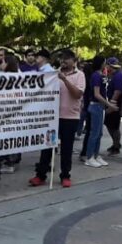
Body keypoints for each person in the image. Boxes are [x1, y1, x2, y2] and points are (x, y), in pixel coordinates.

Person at [31, 50, 86, 187]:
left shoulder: (80, 75)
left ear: (74, 60)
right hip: (53, 118)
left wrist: (64, 79)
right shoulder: (52, 73)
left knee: (66, 149)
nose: (64, 61)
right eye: (62, 58)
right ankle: (40, 175)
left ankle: (65, 176)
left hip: (70, 118)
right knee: (47, 148)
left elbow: (77, 94)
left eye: (67, 59)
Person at [83, 59, 117, 168]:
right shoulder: (96, 76)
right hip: (96, 106)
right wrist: (109, 104)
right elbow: (96, 94)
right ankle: (89, 157)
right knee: (94, 133)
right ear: (101, 63)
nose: (106, 65)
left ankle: (95, 155)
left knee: (99, 133)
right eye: (105, 62)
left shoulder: (100, 75)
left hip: (99, 106)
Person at [103, 58, 122, 156]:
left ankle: (116, 146)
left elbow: (118, 91)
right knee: (109, 124)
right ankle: (115, 144)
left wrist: (111, 105)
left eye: (107, 65)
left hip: (116, 104)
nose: (106, 67)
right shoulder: (114, 75)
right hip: (114, 103)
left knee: (114, 126)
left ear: (110, 66)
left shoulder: (119, 76)